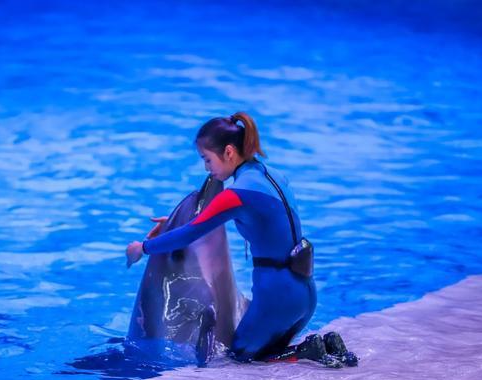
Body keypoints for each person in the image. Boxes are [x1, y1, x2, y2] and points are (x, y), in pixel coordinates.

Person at [126, 112, 355, 366]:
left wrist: (142, 248)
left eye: (207, 160)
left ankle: (307, 351)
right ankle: (330, 343)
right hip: (305, 292)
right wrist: (177, 220)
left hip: (276, 297)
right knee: (265, 339)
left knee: (240, 356)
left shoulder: (235, 195)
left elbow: (192, 233)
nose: (207, 169)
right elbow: (265, 217)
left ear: (228, 152)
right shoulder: (274, 176)